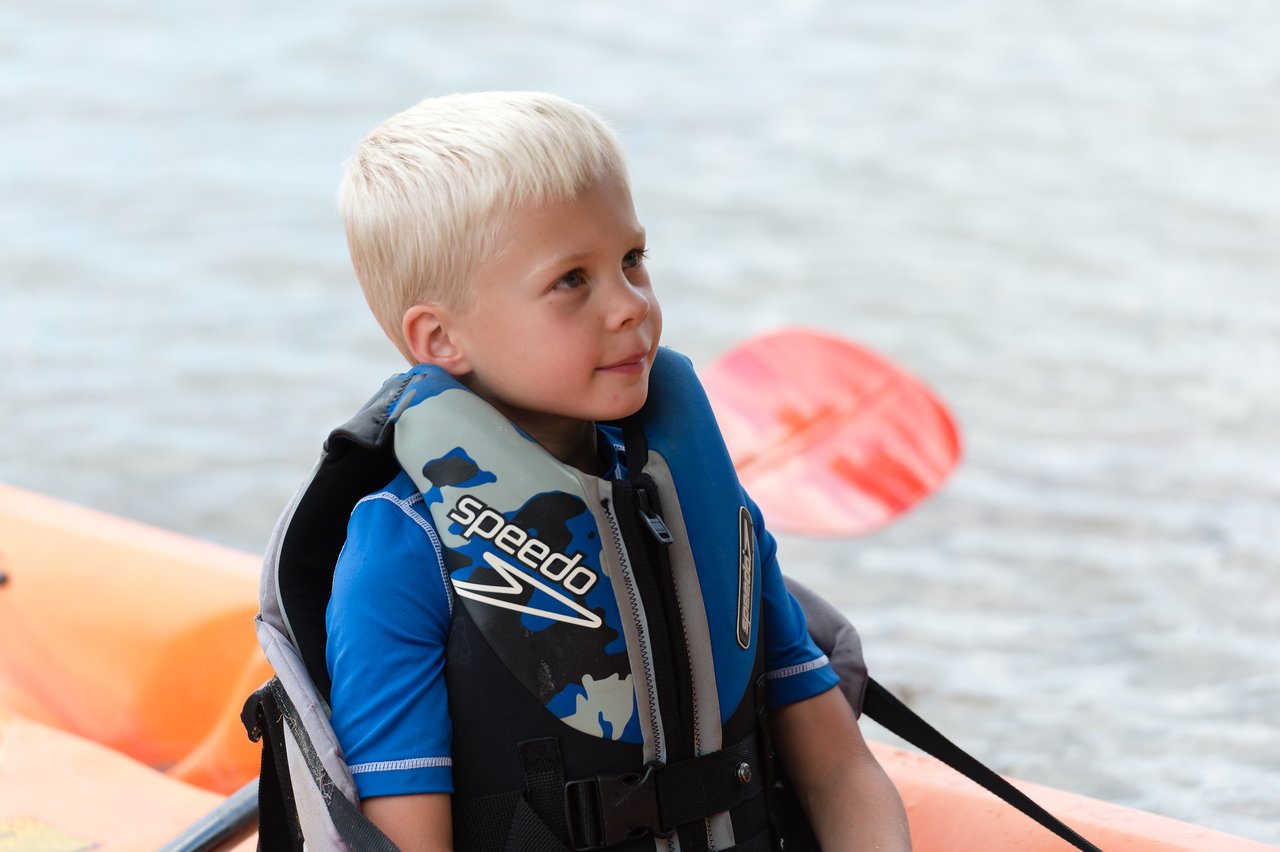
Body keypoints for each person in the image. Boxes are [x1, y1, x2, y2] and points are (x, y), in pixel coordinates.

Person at [322, 91, 911, 851]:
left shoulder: (697, 496)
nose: (630, 305)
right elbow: (406, 839)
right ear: (440, 337)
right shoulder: (400, 553)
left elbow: (839, 771)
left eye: (632, 259)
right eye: (572, 280)